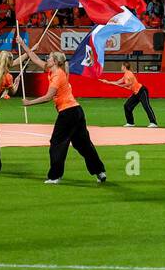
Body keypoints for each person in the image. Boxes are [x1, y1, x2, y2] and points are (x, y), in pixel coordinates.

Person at [19, 41, 107, 185]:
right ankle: (100, 171)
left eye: (50, 57)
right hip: (76, 111)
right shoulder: (53, 70)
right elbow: (34, 58)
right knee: (83, 144)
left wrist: (29, 103)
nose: (47, 59)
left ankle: (55, 176)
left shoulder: (58, 76)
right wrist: (23, 44)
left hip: (68, 113)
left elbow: (48, 97)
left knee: (57, 143)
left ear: (55, 62)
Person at [103, 60, 157, 127]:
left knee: (146, 106)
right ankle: (130, 122)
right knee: (127, 106)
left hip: (141, 91)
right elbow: (118, 82)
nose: (121, 67)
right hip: (136, 93)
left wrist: (123, 85)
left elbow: (130, 83)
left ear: (124, 67)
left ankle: (153, 123)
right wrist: (108, 82)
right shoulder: (125, 75)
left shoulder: (129, 73)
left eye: (122, 66)